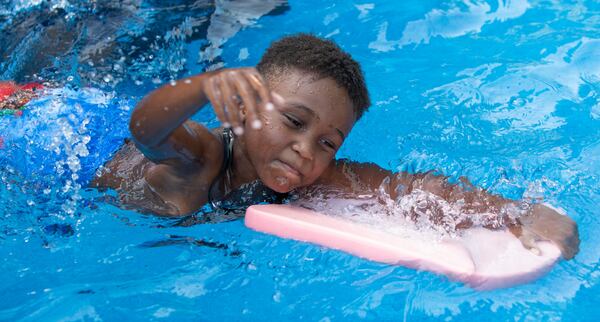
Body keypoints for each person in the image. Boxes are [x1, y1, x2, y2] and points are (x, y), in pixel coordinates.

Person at [91, 34, 579, 259]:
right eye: (294, 122)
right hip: (72, 162)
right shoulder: (202, 156)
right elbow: (145, 131)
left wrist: (520, 212)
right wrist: (205, 86)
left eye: (327, 142)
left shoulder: (313, 174)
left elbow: (407, 189)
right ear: (242, 110)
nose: (307, 150)